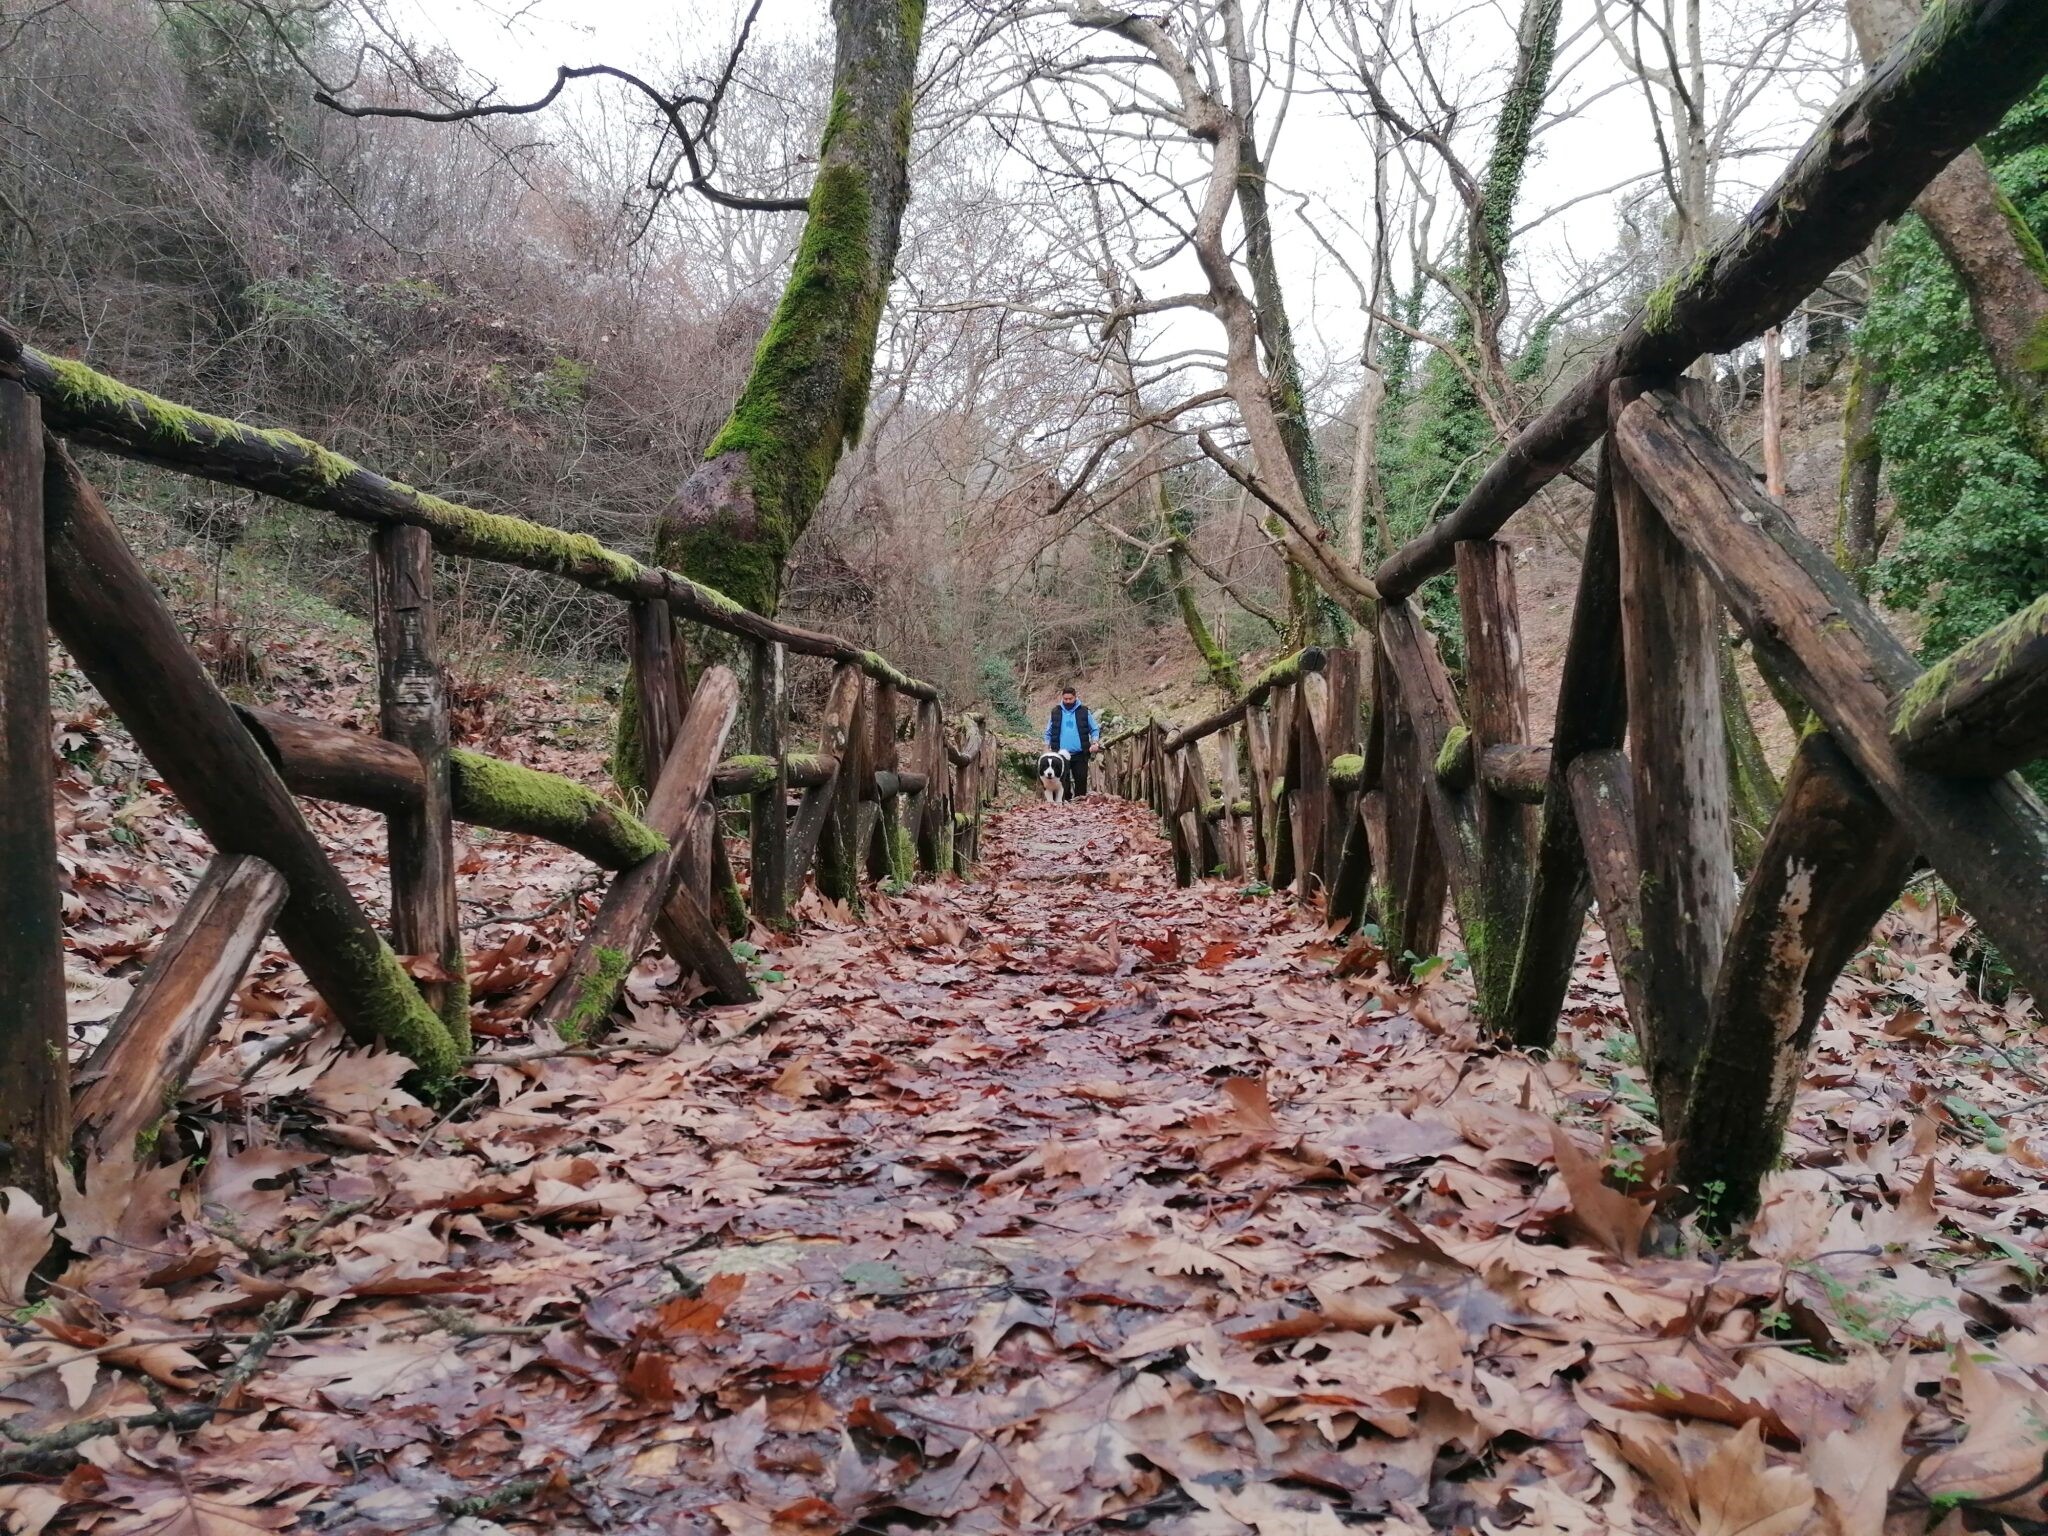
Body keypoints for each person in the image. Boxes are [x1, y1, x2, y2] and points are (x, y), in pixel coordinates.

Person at [1045, 685, 1099, 798]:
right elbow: (1048, 732)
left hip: (1080, 754)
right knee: (1063, 783)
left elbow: (1094, 729)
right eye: (1065, 699)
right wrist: (1046, 746)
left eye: (1070, 699)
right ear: (1062, 698)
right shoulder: (1055, 712)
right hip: (1060, 755)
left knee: (1081, 781)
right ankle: (1066, 808)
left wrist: (1095, 742)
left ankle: (1081, 807)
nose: (1068, 701)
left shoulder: (1084, 711)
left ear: (1075, 697)